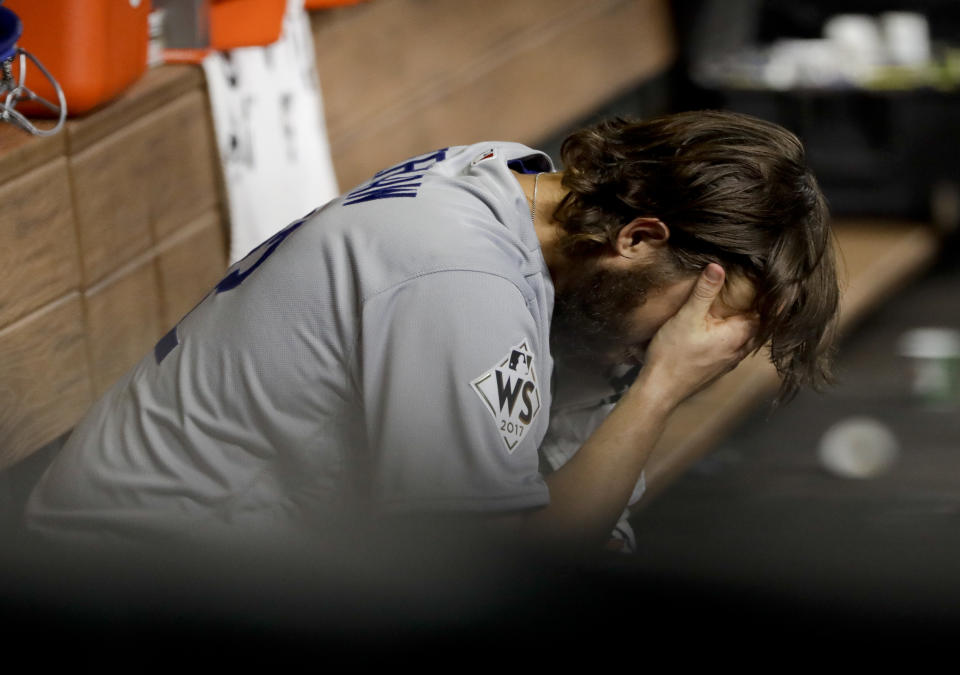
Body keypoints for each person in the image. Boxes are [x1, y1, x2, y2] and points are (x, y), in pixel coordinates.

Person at [24, 110, 838, 552]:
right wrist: (659, 388)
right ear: (640, 239)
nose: (670, 350)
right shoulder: (459, 277)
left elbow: (566, 482)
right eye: (679, 326)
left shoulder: (529, 197)